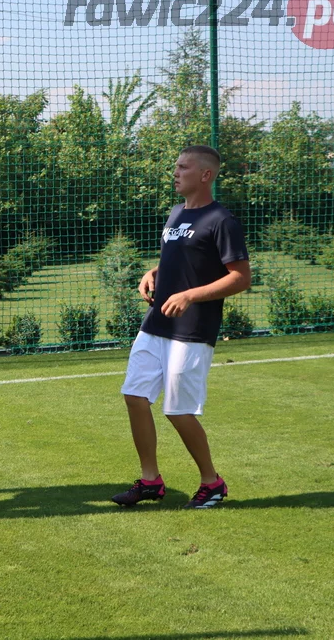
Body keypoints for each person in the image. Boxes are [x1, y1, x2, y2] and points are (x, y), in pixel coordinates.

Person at [113, 145, 251, 510]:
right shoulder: (176, 214)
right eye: (175, 166)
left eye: (183, 167)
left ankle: (212, 483)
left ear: (205, 175)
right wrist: (153, 272)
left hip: (192, 329)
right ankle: (149, 481)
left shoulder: (222, 220)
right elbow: (180, 260)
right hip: (156, 323)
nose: (175, 172)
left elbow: (240, 278)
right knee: (134, 395)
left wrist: (190, 296)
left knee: (177, 409)